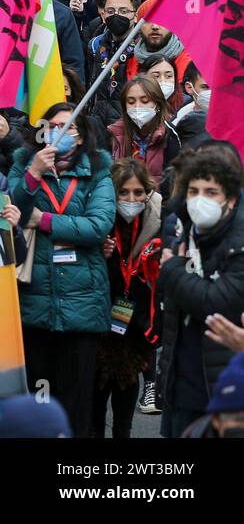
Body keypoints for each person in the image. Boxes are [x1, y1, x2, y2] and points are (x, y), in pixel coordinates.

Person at [9, 102, 116, 438]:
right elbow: (10, 213)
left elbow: (97, 226)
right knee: (39, 406)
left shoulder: (98, 171)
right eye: (52, 125)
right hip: (34, 305)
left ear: (82, 135)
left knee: (76, 408)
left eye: (69, 126)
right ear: (41, 131)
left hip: (81, 305)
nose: (60, 131)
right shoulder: (23, 165)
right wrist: (34, 174)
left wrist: (45, 220)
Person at [157, 150, 244, 438]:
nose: (200, 200)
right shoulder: (186, 230)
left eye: (211, 192)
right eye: (193, 191)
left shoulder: (238, 242)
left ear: (230, 199)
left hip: (223, 388)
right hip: (180, 381)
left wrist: (173, 270)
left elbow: (216, 303)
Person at [93, 158, 163, 439]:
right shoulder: (99, 222)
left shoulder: (155, 223)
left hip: (134, 325)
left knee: (124, 414)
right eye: (124, 192)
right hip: (99, 322)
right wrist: (102, 256)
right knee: (95, 412)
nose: (131, 199)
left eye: (138, 193)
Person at [108, 74, 180, 187]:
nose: (138, 107)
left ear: (158, 104)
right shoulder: (113, 135)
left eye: (145, 101)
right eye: (131, 102)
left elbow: (174, 183)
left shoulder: (171, 136)